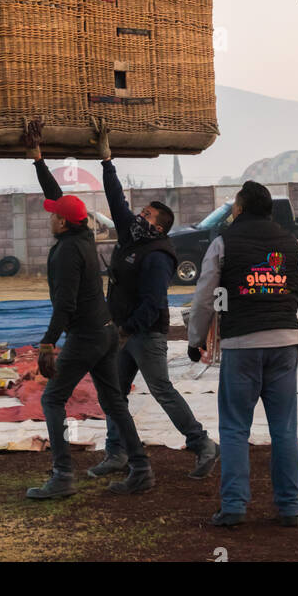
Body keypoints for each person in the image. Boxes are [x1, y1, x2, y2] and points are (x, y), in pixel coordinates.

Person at [23, 124, 154, 500]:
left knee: (51, 399)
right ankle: (141, 468)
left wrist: (48, 343)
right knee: (114, 401)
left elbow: (64, 305)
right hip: (107, 332)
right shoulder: (81, 233)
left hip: (85, 335)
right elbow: (58, 196)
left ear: (62, 222)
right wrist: (38, 159)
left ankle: (62, 475)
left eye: (53, 216)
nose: (50, 218)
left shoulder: (66, 252)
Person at [84, 119, 218, 480]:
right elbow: (116, 199)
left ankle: (202, 442)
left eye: (146, 215)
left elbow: (153, 301)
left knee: (161, 389)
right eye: (140, 213)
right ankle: (116, 453)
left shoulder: (157, 255)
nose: (138, 217)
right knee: (114, 394)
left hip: (145, 335)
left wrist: (127, 330)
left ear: (158, 227)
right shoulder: (133, 237)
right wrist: (107, 160)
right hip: (125, 332)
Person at [188, 180, 298, 528]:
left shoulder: (223, 243)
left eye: (235, 205)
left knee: (235, 429)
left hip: (241, 348)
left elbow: (206, 295)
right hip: (284, 346)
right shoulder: (293, 246)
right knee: (284, 429)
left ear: (241, 208)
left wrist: (195, 340)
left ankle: (234, 507)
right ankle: (290, 507)